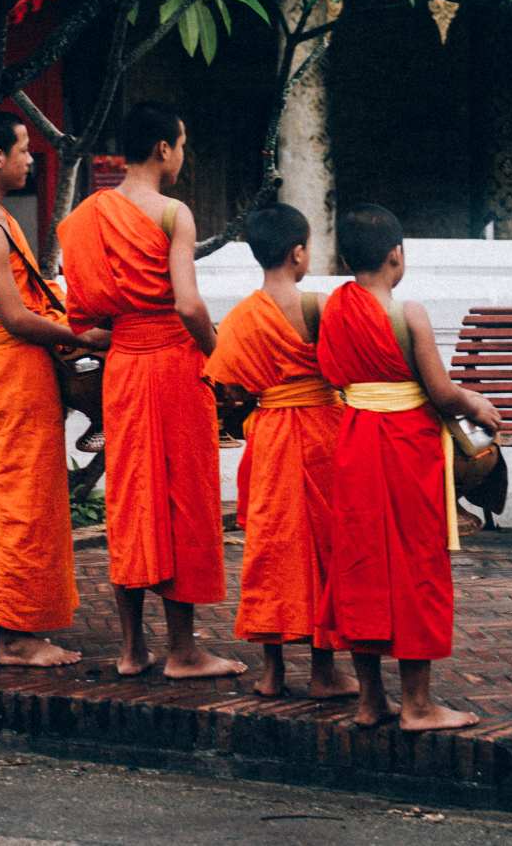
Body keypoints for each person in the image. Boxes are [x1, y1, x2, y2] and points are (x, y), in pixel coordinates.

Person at [57, 101, 242, 679]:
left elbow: (82, 312)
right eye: (182, 145)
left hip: (123, 367)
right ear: (164, 148)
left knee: (131, 500)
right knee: (183, 498)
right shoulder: (172, 213)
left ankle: (133, 649)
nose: (182, 157)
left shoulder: (88, 214)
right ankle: (184, 651)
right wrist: (223, 356)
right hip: (173, 365)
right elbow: (187, 303)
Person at [317, 202, 502, 731]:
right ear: (397, 256)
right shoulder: (409, 314)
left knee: (362, 564)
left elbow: (333, 373)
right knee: (416, 565)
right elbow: (441, 393)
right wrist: (475, 404)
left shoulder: (335, 308)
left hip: (355, 442)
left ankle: (371, 700)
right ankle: (418, 704)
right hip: (406, 448)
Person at [0, 111, 108, 667]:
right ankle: (17, 636)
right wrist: (79, 335)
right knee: (25, 503)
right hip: (15, 370)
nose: (31, 160)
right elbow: (15, 317)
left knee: (7, 497)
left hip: (1, 373)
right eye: (23, 150)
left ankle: (2, 626)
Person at [204, 202, 358, 700]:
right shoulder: (317, 306)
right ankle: (323, 671)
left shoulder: (242, 317)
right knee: (324, 551)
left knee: (269, 551)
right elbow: (342, 373)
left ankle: (271, 672)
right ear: (298, 253)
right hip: (321, 433)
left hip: (269, 438)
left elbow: (227, 387)